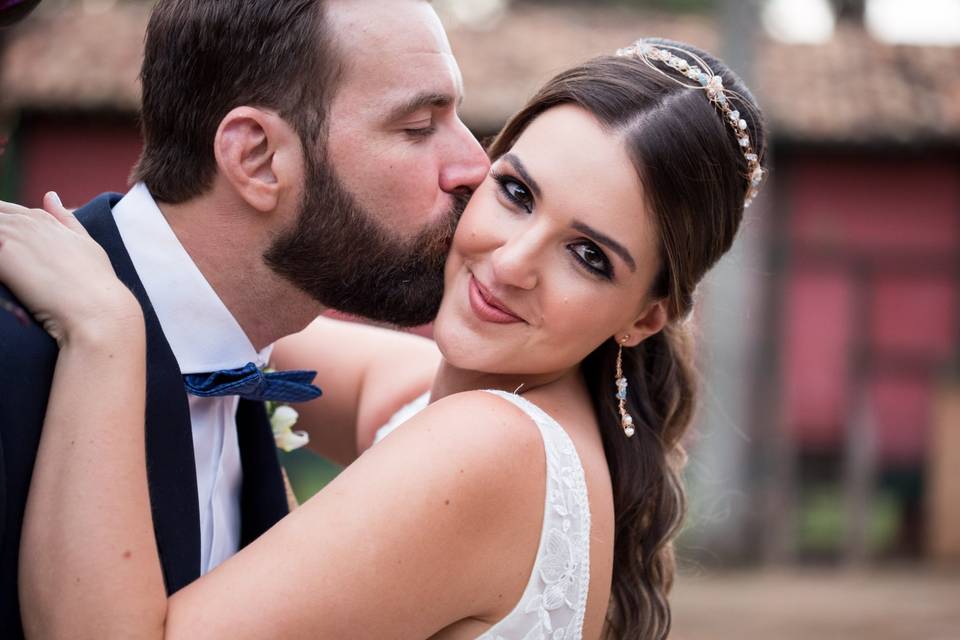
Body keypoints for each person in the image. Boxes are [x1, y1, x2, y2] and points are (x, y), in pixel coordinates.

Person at [0, 38, 767, 639]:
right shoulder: (493, 407)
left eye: (589, 256)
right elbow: (228, 312)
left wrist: (104, 333)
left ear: (643, 316)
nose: (511, 262)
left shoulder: (490, 449)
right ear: (482, 167)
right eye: (516, 192)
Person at [0, 0, 488, 635]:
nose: (476, 166)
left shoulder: (245, 348)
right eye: (419, 126)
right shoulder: (15, 354)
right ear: (257, 157)